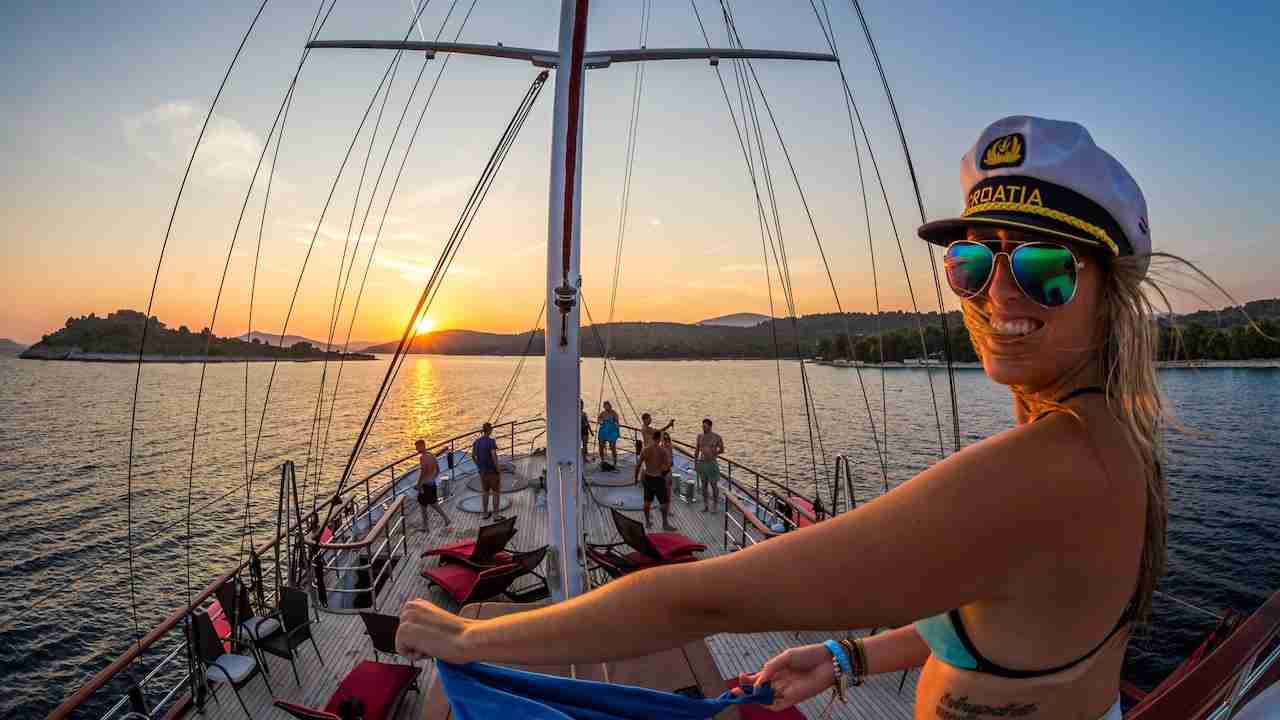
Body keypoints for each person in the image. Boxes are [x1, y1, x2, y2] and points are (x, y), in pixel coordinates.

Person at [398, 116, 1172, 720]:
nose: (996, 296)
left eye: (1042, 268)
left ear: (1113, 290)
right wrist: (850, 658)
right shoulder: (1111, 445)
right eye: (972, 263)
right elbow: (1005, 621)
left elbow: (703, 599)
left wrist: (469, 636)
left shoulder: (1046, 470)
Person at [632, 429, 675, 531]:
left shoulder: (645, 450)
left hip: (647, 478)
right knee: (663, 503)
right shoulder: (662, 451)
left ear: (652, 438)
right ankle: (665, 524)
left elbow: (638, 466)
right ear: (659, 439)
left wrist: (635, 479)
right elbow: (668, 465)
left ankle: (647, 522)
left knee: (647, 502)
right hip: (658, 479)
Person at [415, 439, 450, 531]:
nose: (416, 449)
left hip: (425, 485)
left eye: (417, 447)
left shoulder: (422, 458)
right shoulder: (432, 455)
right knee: (433, 504)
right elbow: (438, 470)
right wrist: (433, 478)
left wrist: (418, 484)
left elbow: (423, 471)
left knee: (424, 506)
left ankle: (426, 526)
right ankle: (445, 518)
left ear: (422, 446)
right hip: (432, 483)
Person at [472, 422, 502, 520]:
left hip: (482, 472)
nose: (492, 430)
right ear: (489, 430)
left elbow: (473, 456)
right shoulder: (491, 441)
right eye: (491, 428)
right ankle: (496, 515)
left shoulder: (476, 442)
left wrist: (479, 466)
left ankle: (485, 513)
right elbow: (493, 456)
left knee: (485, 492)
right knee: (496, 492)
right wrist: (498, 469)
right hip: (492, 471)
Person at [694, 418, 725, 513]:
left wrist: (715, 453)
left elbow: (722, 449)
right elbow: (697, 450)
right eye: (702, 426)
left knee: (714, 485)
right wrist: (695, 463)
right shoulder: (699, 436)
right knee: (704, 485)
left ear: (710, 426)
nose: (703, 428)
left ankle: (715, 506)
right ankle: (706, 505)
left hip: (712, 463)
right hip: (702, 463)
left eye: (705, 426)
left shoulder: (717, 437)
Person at [597, 401, 621, 469]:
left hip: (611, 431)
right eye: (605, 406)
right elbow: (599, 420)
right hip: (603, 430)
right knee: (601, 445)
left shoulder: (614, 413)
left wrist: (616, 424)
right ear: (604, 406)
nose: (606, 407)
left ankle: (615, 461)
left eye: (607, 405)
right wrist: (600, 421)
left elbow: (617, 421)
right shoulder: (602, 413)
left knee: (612, 446)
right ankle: (602, 460)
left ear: (610, 405)